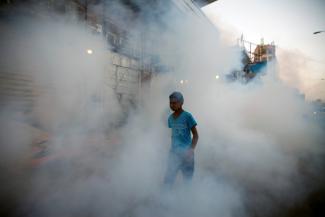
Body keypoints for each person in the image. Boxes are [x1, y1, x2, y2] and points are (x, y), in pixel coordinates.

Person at [164, 91, 199, 188]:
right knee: (168, 180)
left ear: (181, 102)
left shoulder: (188, 116)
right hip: (174, 153)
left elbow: (195, 135)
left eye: (174, 103)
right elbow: (173, 135)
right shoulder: (170, 118)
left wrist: (191, 150)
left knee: (187, 181)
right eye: (170, 103)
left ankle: (187, 200)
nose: (172, 105)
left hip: (186, 155)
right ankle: (165, 200)